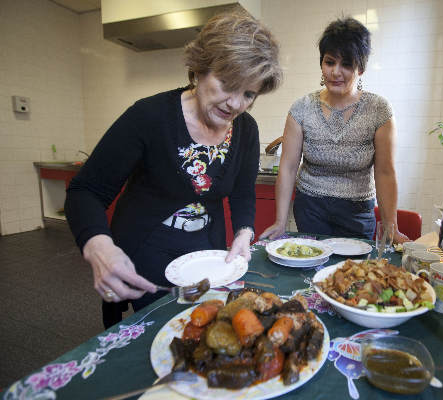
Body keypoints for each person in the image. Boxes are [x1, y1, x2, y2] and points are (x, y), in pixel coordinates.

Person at [65, 12, 282, 328]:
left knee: (202, 331)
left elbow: (242, 194)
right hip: (144, 257)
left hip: (207, 258)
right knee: (155, 338)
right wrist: (98, 246)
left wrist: (244, 233)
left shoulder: (246, 130)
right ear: (200, 69)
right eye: (228, 84)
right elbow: (86, 191)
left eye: (249, 93)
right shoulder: (149, 117)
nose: (236, 103)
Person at [260, 17, 408, 244]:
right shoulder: (301, 108)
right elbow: (288, 168)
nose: (336, 72)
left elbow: (385, 172)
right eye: (329, 62)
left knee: (354, 275)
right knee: (312, 271)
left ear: (361, 68)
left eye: (346, 64)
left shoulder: (378, 110)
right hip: (310, 208)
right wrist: (280, 222)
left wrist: (391, 227)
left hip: (357, 212)